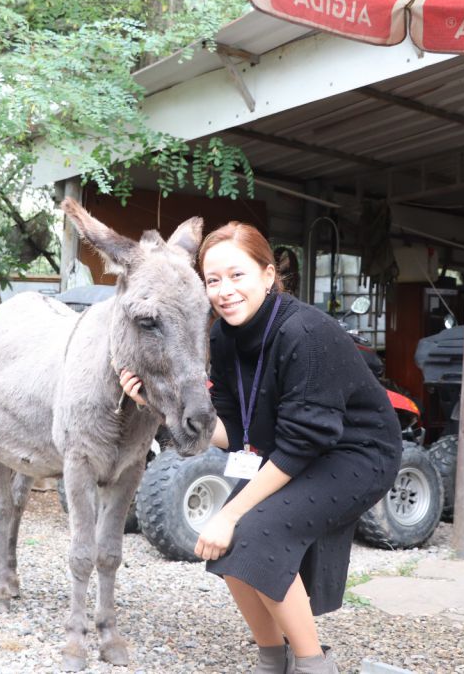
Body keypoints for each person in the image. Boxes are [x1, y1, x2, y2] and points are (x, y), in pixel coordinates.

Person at [119, 221, 402, 674]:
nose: (224, 290)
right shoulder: (222, 339)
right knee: (226, 547)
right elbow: (232, 430)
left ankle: (313, 665)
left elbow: (301, 444)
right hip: (292, 451)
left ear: (268, 276)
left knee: (249, 532)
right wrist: (154, 403)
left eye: (237, 275)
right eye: (213, 280)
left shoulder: (305, 334)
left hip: (356, 454)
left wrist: (230, 514)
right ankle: (272, 659)